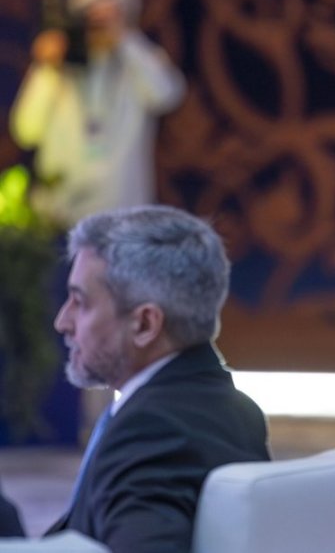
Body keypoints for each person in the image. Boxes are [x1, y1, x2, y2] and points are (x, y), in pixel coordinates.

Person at [43, 205, 270, 552]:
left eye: (80, 302)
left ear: (145, 324)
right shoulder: (234, 408)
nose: (63, 322)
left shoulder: (149, 429)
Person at [9, 0, 185, 227]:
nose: (100, 28)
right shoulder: (55, 70)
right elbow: (25, 131)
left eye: (111, 19)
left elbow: (167, 95)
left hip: (121, 219)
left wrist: (126, 40)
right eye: (92, 20)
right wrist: (47, 67)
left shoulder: (138, 64)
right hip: (57, 217)